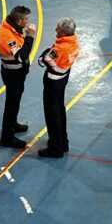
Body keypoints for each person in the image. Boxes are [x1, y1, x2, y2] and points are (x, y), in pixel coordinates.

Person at [36, 18, 79, 159]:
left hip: (53, 83)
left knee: (52, 114)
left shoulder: (60, 49)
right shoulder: (73, 41)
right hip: (63, 79)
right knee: (59, 110)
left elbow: (43, 61)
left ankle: (56, 148)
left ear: (64, 33)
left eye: (58, 29)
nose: (55, 30)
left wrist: (44, 54)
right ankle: (62, 142)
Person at [0, 4, 35, 148]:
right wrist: (30, 36)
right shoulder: (8, 36)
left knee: (15, 101)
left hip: (17, 73)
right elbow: (20, 56)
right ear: (19, 21)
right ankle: (6, 137)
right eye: (26, 20)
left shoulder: (13, 27)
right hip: (13, 74)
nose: (28, 22)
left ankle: (13, 124)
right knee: (11, 105)